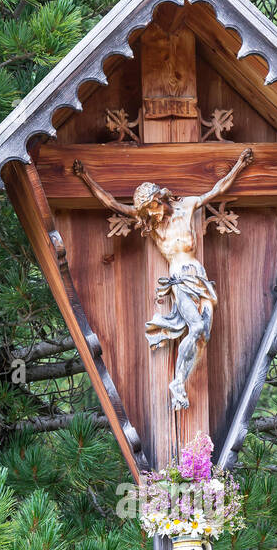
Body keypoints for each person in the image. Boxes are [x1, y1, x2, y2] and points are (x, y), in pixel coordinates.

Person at [72, 147, 254, 409]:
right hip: (179, 279)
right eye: (147, 211)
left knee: (203, 336)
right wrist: (86, 177)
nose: (152, 214)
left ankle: (182, 381)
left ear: (160, 198)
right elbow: (111, 203)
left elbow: (218, 190)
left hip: (198, 276)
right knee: (198, 328)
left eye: (153, 206)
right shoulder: (153, 225)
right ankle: (177, 382)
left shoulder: (188, 206)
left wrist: (240, 165)